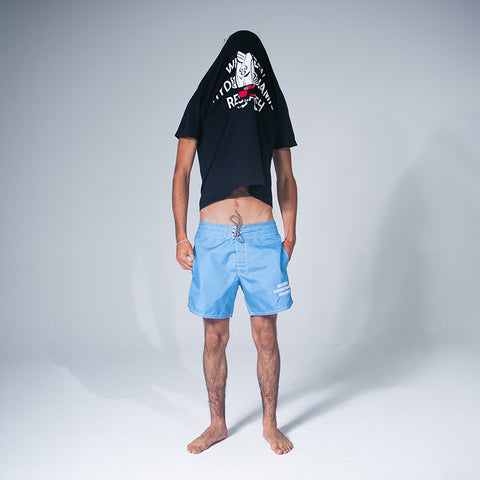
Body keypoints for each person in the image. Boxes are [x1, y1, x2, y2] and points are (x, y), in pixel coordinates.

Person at [172, 30, 298, 455]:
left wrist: (291, 232)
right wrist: (180, 235)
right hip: (213, 238)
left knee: (266, 334)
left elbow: (285, 175)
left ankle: (269, 424)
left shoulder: (271, 104)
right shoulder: (202, 101)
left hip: (262, 236)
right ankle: (217, 424)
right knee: (214, 336)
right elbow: (181, 172)